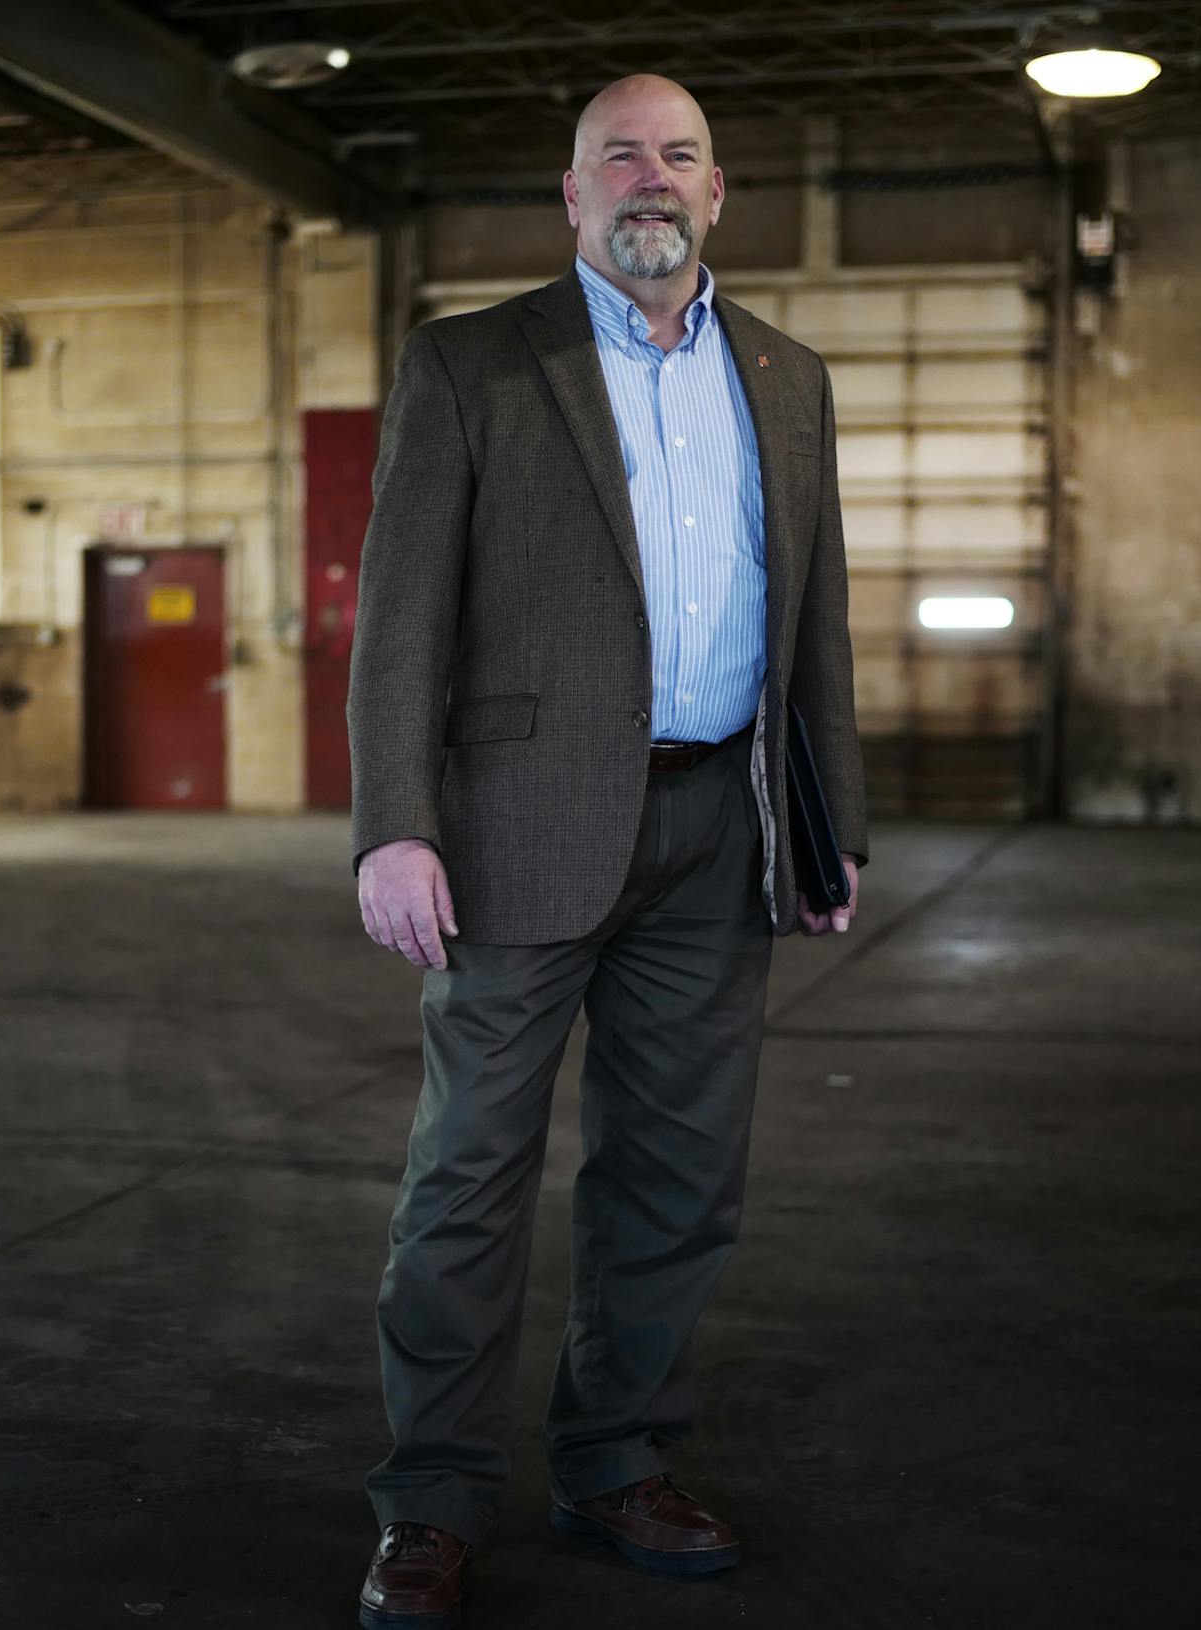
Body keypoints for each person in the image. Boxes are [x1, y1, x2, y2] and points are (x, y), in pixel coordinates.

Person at [346, 73, 869, 1629]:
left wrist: (826, 821)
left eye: (680, 155)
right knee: (469, 1174)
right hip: (516, 832)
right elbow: (399, 623)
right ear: (570, 198)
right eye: (616, 156)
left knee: (678, 1175)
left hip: (719, 827)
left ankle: (615, 1457)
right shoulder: (472, 362)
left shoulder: (788, 376)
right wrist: (395, 825)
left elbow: (816, 618)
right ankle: (431, 1500)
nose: (650, 178)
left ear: (721, 195)